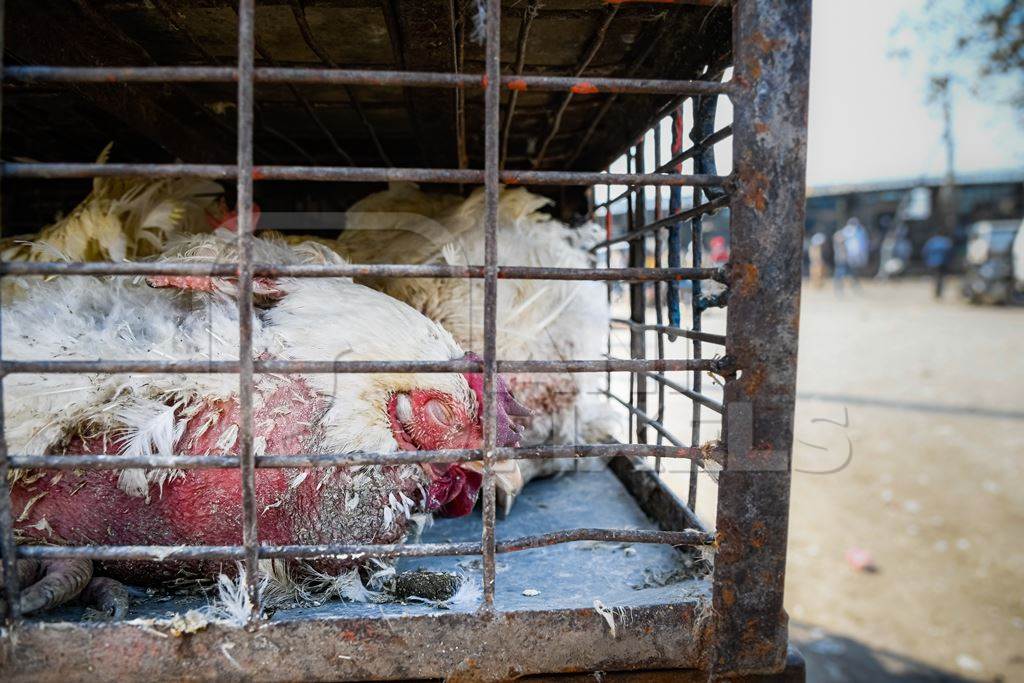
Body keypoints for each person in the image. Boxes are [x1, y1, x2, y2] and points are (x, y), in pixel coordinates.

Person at [922, 233, 954, 299]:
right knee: (941, 279)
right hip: (943, 263)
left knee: (935, 278)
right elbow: (950, 253)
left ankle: (936, 292)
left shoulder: (932, 241)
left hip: (933, 263)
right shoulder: (946, 241)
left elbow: (925, 251)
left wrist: (927, 261)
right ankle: (939, 292)